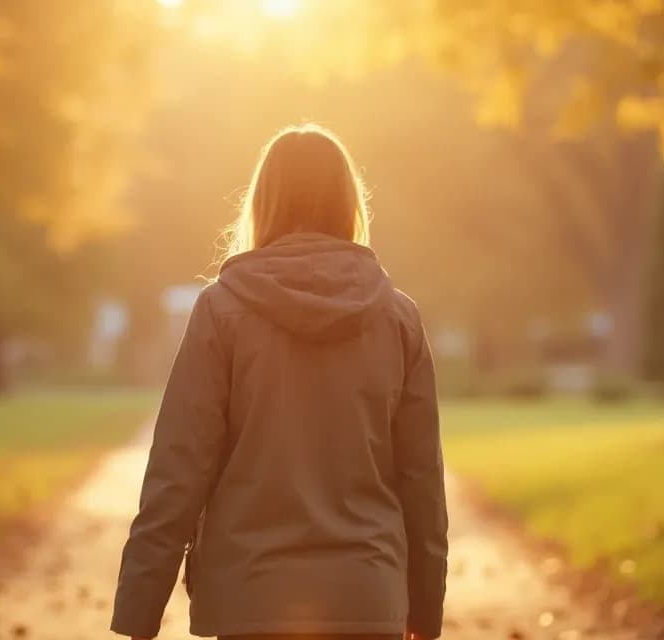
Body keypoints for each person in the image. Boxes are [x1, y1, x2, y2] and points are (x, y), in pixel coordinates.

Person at [110, 124, 448, 640]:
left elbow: (179, 469)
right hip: (367, 594)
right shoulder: (397, 319)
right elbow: (422, 483)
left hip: (250, 597)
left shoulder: (221, 312)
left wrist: (139, 615)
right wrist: (425, 613)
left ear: (262, 203)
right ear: (348, 203)